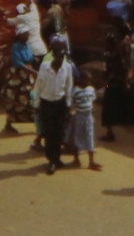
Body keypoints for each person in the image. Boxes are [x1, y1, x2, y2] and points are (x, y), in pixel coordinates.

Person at [99, 21, 134, 144]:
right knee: (110, 106)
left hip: (118, 83)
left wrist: (126, 81)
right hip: (113, 82)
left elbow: (124, 67)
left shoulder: (121, 49)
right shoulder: (117, 48)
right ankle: (110, 132)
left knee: (124, 108)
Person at [33, 39, 73, 175]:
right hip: (46, 104)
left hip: (59, 104)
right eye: (59, 56)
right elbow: (38, 87)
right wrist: (36, 104)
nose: (61, 59)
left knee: (60, 132)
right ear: (54, 55)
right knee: (49, 133)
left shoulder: (67, 67)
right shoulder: (44, 67)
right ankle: (52, 160)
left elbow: (69, 86)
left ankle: (57, 158)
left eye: (63, 56)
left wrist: (68, 103)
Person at [70, 70, 101, 170]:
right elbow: (71, 103)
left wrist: (92, 114)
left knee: (90, 138)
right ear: (80, 79)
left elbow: (91, 102)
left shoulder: (91, 89)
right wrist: (72, 112)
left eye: (90, 80)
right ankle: (76, 158)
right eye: (87, 79)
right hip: (79, 116)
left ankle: (91, 161)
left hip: (88, 117)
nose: (89, 82)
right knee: (77, 137)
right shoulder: (75, 91)